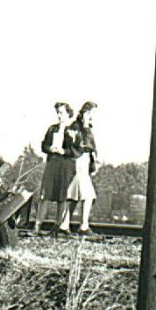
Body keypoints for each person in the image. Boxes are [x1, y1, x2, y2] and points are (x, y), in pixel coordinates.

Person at [33, 102, 77, 235]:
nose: (59, 115)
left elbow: (77, 150)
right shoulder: (52, 129)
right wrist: (50, 149)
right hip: (52, 162)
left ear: (68, 114)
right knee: (45, 194)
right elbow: (43, 145)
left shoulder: (73, 130)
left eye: (61, 113)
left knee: (62, 196)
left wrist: (64, 151)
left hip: (66, 164)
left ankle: (57, 227)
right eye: (58, 112)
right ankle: (37, 226)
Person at [68, 101, 99, 235]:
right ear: (86, 113)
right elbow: (78, 144)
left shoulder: (88, 128)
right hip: (78, 162)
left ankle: (66, 223)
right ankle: (83, 226)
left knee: (77, 195)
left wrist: (95, 159)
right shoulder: (77, 126)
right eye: (92, 113)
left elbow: (92, 146)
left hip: (85, 163)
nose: (93, 117)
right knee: (86, 195)